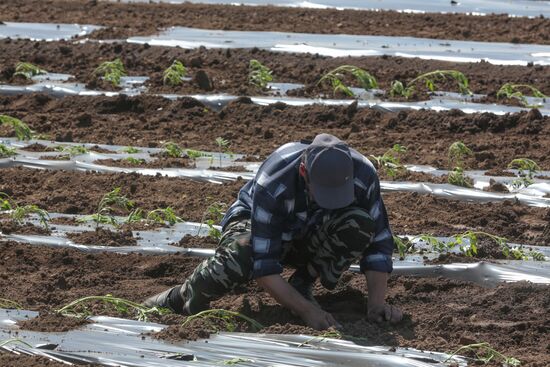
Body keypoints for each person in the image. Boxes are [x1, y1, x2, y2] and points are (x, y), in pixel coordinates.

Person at [144, 133, 402, 329]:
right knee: (241, 255)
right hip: (256, 224)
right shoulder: (275, 181)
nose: (330, 200)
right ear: (304, 172)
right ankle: (181, 296)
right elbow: (264, 265)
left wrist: (376, 305)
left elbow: (378, 243)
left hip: (311, 229)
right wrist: (305, 312)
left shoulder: (364, 175)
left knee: (360, 223)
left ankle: (302, 284)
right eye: (323, 193)